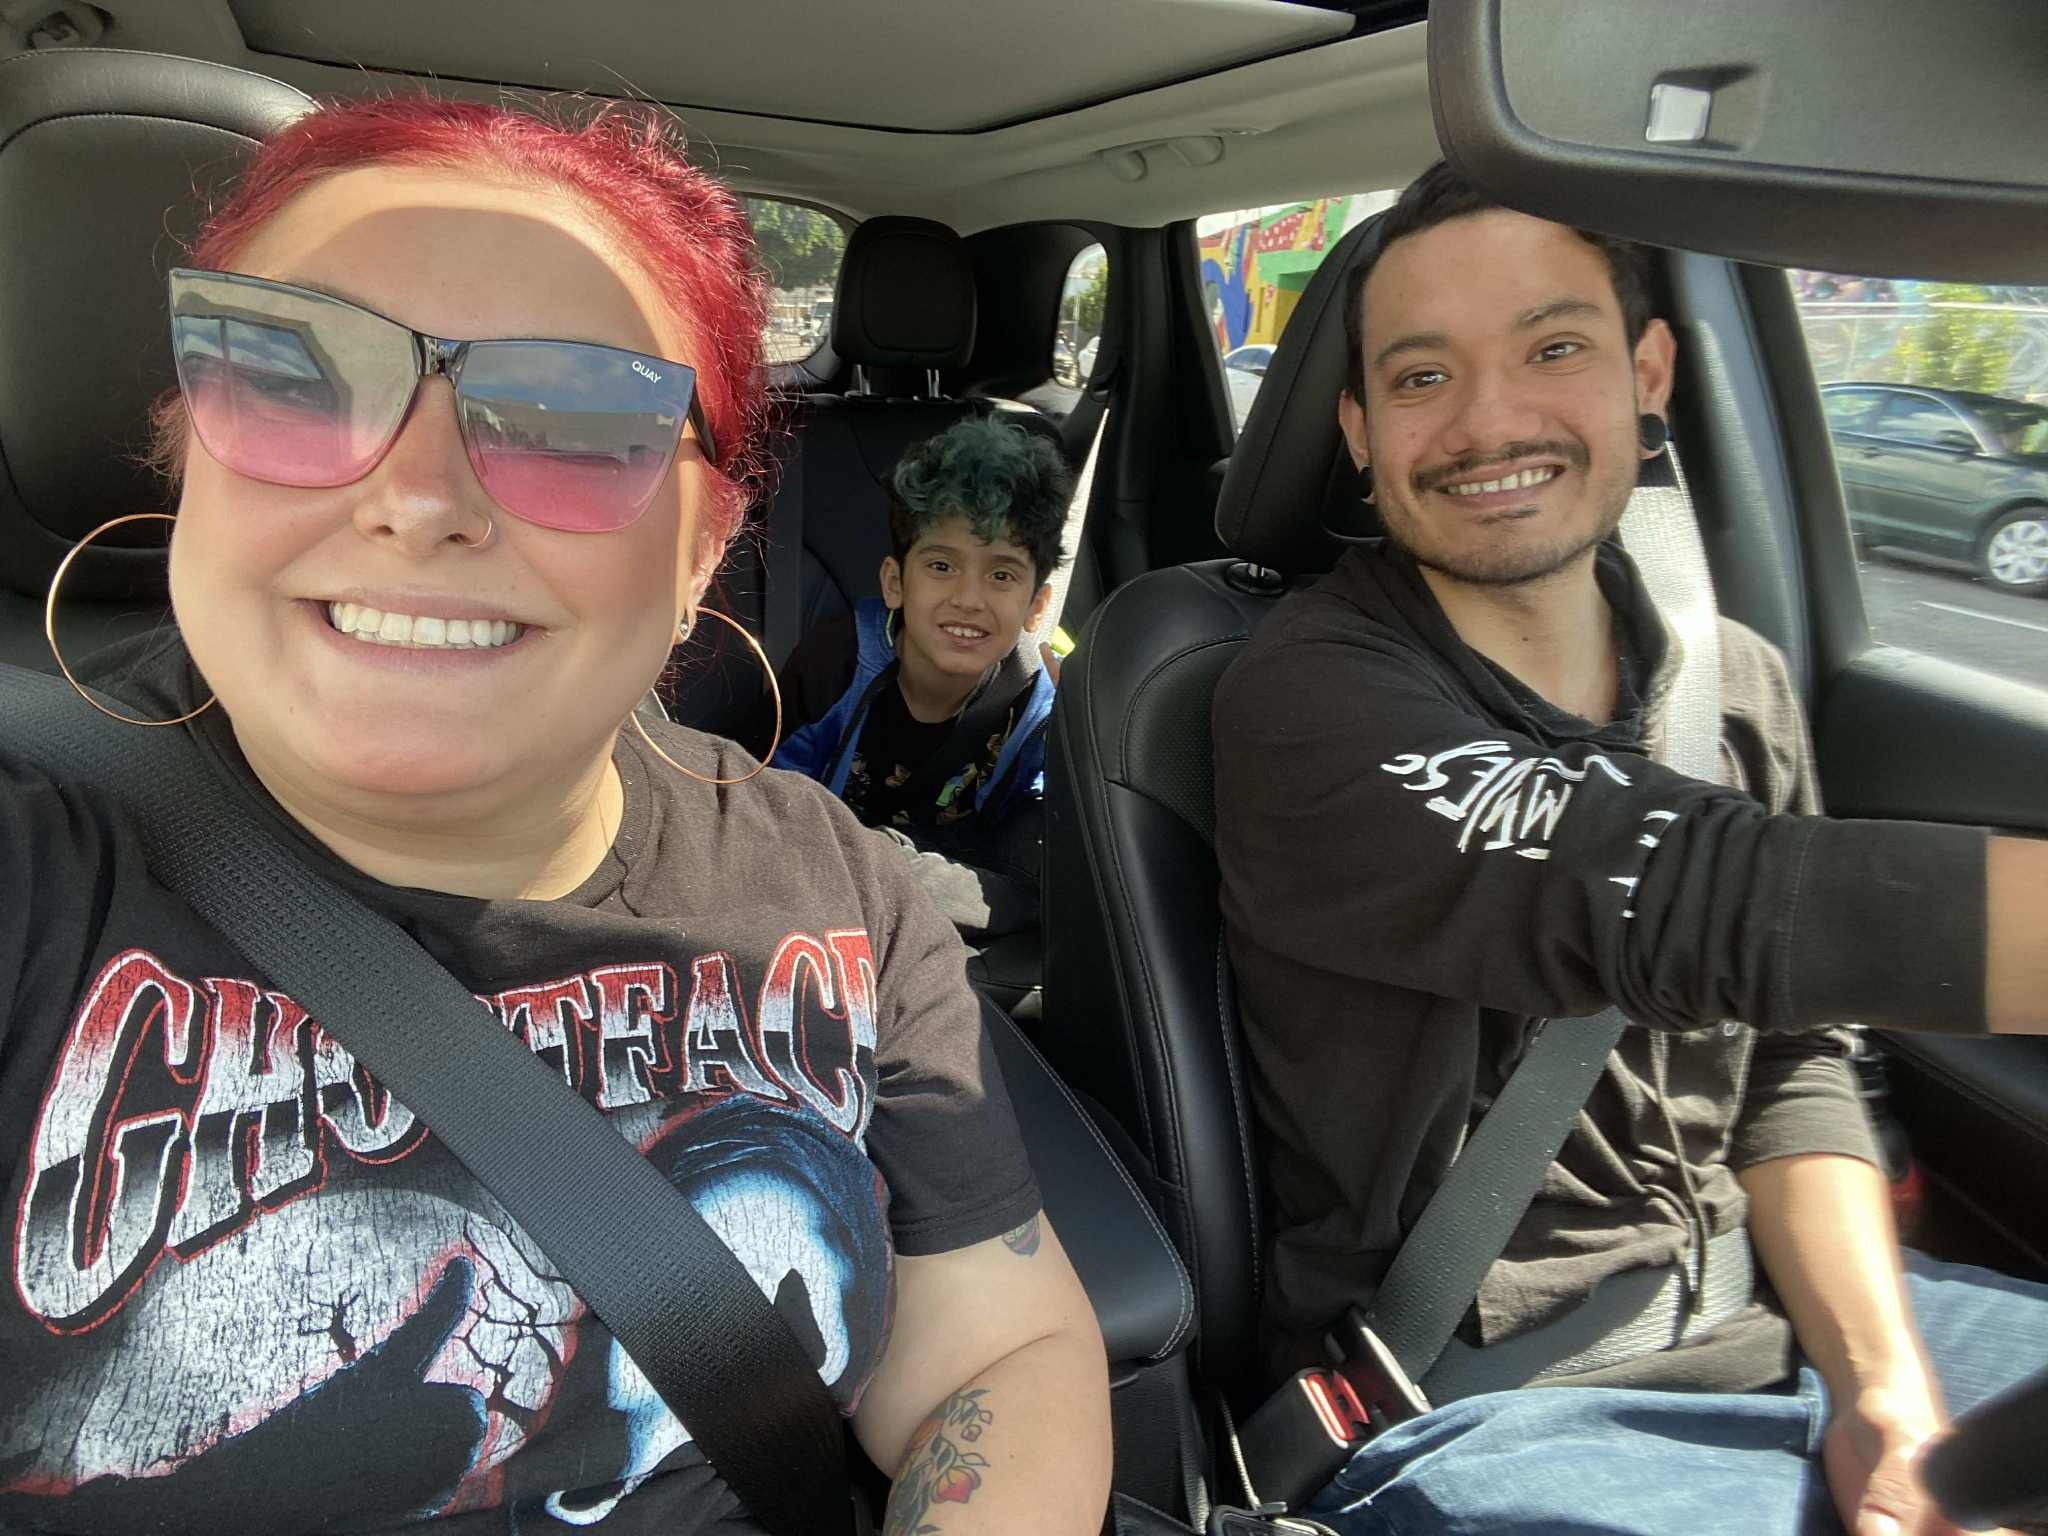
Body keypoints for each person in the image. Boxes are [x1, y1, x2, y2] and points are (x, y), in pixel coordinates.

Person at [0, 96, 1109, 1535]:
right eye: (295, 378)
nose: (419, 499)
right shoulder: (36, 867)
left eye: (576, 419)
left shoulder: (843, 890)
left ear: (702, 551)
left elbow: (998, 1352)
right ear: (182, 443)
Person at [1211, 160, 2048, 1536]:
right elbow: (1678, 898)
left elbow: (1792, 1063)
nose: (1490, 421)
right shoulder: (1305, 699)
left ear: (1647, 372)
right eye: (1421, 377)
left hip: (1786, 1320)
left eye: (1553, 349)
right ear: (1357, 429)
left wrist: (1884, 1393)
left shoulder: (1737, 684)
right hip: (1486, 1400)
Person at [773, 414, 1069, 941]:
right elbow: (771, 802)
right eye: (941, 567)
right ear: (895, 582)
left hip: (960, 891)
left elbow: (1034, 829)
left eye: (1001, 575)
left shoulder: (1036, 704)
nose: (968, 598)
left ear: (1036, 606)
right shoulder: (836, 665)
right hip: (822, 886)